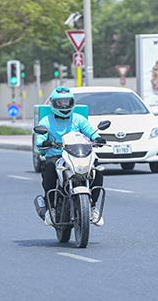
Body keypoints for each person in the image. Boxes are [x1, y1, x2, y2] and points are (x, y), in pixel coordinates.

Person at [35, 86, 107, 226]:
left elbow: (90, 132)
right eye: (60, 103)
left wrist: (97, 138)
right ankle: (51, 208)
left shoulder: (78, 119)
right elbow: (39, 140)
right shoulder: (46, 121)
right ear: (53, 104)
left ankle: (92, 207)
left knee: (97, 169)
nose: (64, 106)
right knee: (49, 168)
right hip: (56, 156)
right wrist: (46, 142)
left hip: (77, 154)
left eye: (67, 102)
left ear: (72, 103)